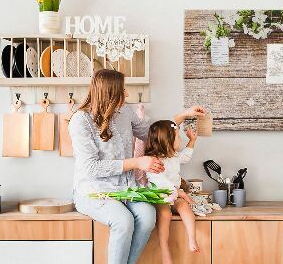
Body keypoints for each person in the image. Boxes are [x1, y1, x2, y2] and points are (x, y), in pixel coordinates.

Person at [68, 69, 206, 264]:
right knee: (123, 221)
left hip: (127, 189)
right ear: (110, 92)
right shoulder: (80, 121)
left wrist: (183, 114)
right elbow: (90, 167)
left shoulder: (124, 112)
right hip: (93, 192)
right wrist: (136, 162)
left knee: (148, 217)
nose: (126, 94)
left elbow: (153, 133)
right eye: (122, 90)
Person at [145, 120, 199, 264]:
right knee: (165, 213)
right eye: (178, 137)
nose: (180, 140)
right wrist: (181, 193)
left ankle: (192, 238)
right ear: (167, 141)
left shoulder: (174, 156)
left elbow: (186, 157)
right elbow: (160, 182)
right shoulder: (153, 160)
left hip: (174, 194)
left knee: (185, 207)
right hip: (159, 195)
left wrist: (192, 141)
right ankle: (164, 250)